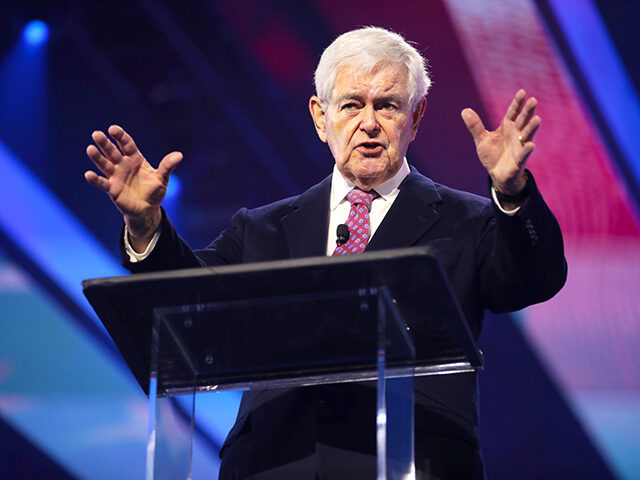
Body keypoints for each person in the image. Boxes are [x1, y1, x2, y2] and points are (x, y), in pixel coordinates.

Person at [85, 27, 566, 480]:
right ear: (320, 117)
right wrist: (147, 225)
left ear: (415, 117)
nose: (369, 124)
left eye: (389, 106)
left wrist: (513, 191)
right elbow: (189, 303)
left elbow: (533, 278)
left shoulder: (470, 220)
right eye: (352, 105)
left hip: (411, 461)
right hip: (275, 462)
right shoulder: (263, 229)